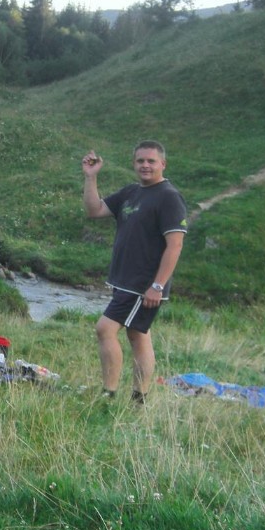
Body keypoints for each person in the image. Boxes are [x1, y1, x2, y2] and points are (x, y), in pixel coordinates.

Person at [82, 141, 187, 404]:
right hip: (124, 280)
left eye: (151, 161)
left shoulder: (169, 197)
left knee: (105, 329)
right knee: (138, 334)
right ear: (134, 163)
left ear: (163, 164)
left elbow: (175, 245)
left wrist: (158, 286)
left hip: (143, 284)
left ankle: (108, 394)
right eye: (140, 161)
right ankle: (139, 399)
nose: (145, 165)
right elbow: (95, 210)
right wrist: (91, 177)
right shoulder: (131, 192)